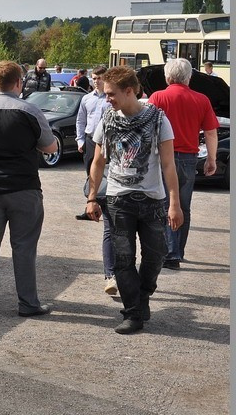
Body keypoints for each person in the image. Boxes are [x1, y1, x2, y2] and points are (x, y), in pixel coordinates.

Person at [85, 66, 182, 335]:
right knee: (123, 258)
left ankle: (143, 295)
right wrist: (92, 197)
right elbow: (98, 161)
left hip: (152, 200)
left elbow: (168, 165)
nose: (107, 99)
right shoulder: (108, 119)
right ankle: (132, 313)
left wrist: (174, 203)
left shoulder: (158, 119)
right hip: (118, 199)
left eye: (111, 94)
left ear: (129, 91)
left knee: (156, 255)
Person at [0, 60, 58, 316]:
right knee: (24, 248)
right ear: (19, 82)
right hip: (23, 187)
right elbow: (50, 147)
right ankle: (28, 303)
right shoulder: (30, 111)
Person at [147, 58, 218, 270]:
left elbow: (146, 128)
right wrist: (212, 159)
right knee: (183, 206)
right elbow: (211, 132)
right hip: (188, 158)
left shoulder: (157, 97)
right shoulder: (202, 99)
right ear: (189, 77)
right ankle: (178, 250)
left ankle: (168, 253)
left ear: (167, 77)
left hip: (162, 157)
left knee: (163, 204)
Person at [75, 66, 117, 294]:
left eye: (100, 78)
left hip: (110, 141)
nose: (97, 81)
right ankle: (93, 206)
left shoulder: (111, 100)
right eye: (94, 78)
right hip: (92, 140)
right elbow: (80, 120)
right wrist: (80, 140)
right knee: (91, 176)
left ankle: (102, 205)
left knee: (105, 175)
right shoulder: (86, 99)